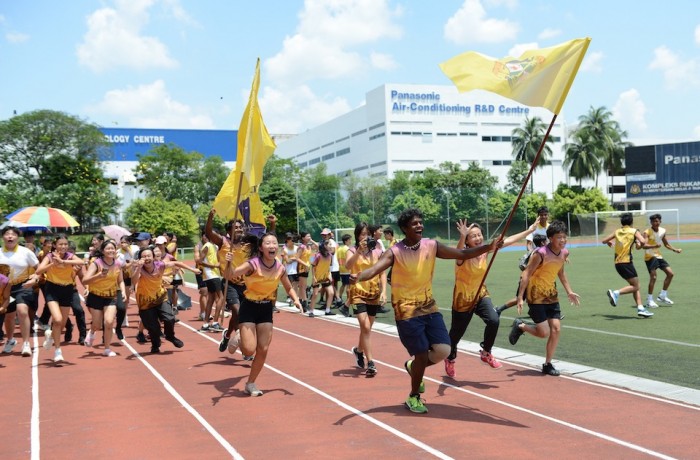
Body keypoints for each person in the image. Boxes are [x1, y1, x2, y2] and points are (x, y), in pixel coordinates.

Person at [350, 208, 500, 414]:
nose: (419, 225)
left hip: (429, 307)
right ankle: (414, 396)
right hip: (406, 311)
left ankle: (414, 367)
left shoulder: (431, 245)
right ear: (404, 228)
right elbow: (375, 269)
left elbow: (463, 253)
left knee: (443, 350)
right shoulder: (395, 251)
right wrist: (359, 276)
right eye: (414, 223)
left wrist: (487, 248)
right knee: (421, 354)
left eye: (420, 222)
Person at [445, 220, 536, 378]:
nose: (478, 238)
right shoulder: (462, 255)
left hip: (480, 294)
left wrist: (529, 231)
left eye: (479, 235)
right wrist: (462, 236)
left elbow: (508, 240)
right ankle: (450, 358)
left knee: (494, 319)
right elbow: (458, 251)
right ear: (467, 240)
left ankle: (486, 352)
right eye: (473, 236)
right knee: (455, 335)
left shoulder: (485, 251)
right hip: (463, 299)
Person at [223, 232, 302, 396]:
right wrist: (228, 263)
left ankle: (250, 383)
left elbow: (288, 287)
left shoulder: (279, 267)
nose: (272, 245)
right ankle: (239, 334)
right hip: (249, 306)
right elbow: (230, 275)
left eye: (274, 242)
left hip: (266, 308)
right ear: (260, 248)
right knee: (249, 351)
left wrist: (296, 299)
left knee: (263, 349)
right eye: (267, 243)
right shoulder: (252, 264)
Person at [509, 221, 581, 376]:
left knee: (556, 329)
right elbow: (526, 274)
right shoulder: (540, 253)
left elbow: (560, 273)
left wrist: (569, 291)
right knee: (543, 333)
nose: (562, 240)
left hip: (551, 295)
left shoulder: (564, 253)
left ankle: (547, 364)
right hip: (535, 296)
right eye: (559, 237)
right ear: (550, 238)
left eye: (564, 237)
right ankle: (521, 326)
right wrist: (520, 297)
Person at [130, 246, 199, 353]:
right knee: (153, 327)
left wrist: (192, 269)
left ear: (153, 257)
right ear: (140, 259)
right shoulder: (138, 268)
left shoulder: (160, 265)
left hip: (160, 297)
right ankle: (155, 345)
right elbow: (134, 282)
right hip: (145, 301)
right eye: (144, 256)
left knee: (169, 318)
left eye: (149, 255)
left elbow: (176, 263)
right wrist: (137, 267)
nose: (146, 258)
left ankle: (170, 336)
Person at [28, 234, 85, 363]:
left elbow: (81, 262)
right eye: (60, 244)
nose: (63, 246)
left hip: (67, 290)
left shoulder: (70, 256)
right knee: (57, 319)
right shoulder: (49, 256)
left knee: (62, 324)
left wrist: (64, 262)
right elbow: (39, 270)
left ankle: (50, 335)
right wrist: (52, 264)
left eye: (65, 244)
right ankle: (58, 351)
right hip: (52, 289)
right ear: (55, 245)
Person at [345, 223, 386, 376]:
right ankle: (371, 362)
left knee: (367, 328)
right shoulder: (352, 250)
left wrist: (384, 292)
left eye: (367, 234)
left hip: (373, 293)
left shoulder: (377, 252)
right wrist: (358, 251)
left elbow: (382, 272)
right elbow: (348, 266)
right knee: (366, 327)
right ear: (357, 236)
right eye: (362, 234)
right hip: (357, 294)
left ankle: (358, 350)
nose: (365, 237)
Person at [601, 212, 653, 318]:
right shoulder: (634, 231)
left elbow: (604, 240)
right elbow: (642, 241)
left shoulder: (617, 231)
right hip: (626, 262)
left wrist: (609, 242)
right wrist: (639, 243)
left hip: (617, 263)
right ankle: (616, 293)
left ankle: (640, 308)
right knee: (636, 286)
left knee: (634, 286)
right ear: (631, 222)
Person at [81, 239, 126, 357]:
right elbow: (85, 280)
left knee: (109, 322)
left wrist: (123, 291)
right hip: (95, 296)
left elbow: (120, 280)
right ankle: (91, 332)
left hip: (110, 296)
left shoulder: (117, 264)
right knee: (97, 324)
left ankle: (107, 348)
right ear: (102, 250)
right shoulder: (96, 263)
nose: (111, 250)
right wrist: (98, 276)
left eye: (113, 248)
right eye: (108, 248)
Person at [0, 226, 40, 357]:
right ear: (3, 237)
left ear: (18, 237)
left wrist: (35, 277)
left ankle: (26, 343)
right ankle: (10, 340)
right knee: (9, 316)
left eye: (13, 234)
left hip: (22, 286)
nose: (10, 236)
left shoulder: (26, 252)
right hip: (5, 289)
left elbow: (38, 268)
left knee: (22, 310)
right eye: (7, 234)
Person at [495, 233, 548, 316]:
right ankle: (499, 309)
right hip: (528, 279)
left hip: (530, 279)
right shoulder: (538, 253)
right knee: (523, 298)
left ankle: (499, 309)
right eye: (546, 241)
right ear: (542, 243)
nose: (547, 243)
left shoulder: (537, 251)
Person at [641, 214, 682, 308]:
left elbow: (666, 244)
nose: (655, 223)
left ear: (660, 221)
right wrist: (654, 246)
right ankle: (649, 300)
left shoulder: (663, 231)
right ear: (651, 222)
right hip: (650, 256)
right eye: (653, 221)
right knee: (654, 277)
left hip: (658, 256)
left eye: (657, 221)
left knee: (670, 274)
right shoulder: (647, 232)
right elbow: (644, 246)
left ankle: (662, 295)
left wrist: (674, 249)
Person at [308, 239, 335, 316]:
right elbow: (313, 266)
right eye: (329, 244)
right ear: (324, 246)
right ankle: (311, 311)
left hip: (325, 277)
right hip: (317, 277)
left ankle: (327, 310)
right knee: (315, 294)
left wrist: (329, 275)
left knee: (331, 293)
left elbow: (328, 267)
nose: (331, 246)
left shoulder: (330, 255)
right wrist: (313, 277)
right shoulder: (318, 255)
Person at [295, 232, 317, 313]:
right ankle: (304, 302)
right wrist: (305, 264)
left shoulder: (309, 246)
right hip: (301, 268)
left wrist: (312, 240)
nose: (309, 237)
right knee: (303, 286)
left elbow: (318, 247)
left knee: (302, 286)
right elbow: (296, 258)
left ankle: (301, 301)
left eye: (310, 236)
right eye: (308, 236)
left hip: (306, 268)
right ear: (303, 238)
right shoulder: (302, 247)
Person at [281, 234, 301, 312]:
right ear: (288, 241)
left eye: (294, 240)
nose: (293, 242)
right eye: (292, 240)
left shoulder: (296, 248)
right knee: (290, 285)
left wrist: (294, 258)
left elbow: (298, 257)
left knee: (296, 284)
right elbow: (288, 261)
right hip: (288, 270)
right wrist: (295, 258)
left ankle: (295, 298)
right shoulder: (285, 249)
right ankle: (289, 297)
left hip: (296, 269)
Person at [193, 230, 209, 321]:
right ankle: (203, 313)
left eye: (208, 236)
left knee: (211, 293)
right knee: (204, 292)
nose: (206, 238)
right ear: (202, 236)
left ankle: (205, 311)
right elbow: (197, 260)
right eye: (205, 236)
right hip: (201, 271)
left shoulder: (212, 245)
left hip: (211, 272)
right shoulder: (198, 246)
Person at [336, 234, 352, 316]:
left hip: (341, 269)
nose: (351, 241)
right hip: (347, 270)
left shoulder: (339, 249)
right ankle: (348, 302)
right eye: (349, 240)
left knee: (344, 284)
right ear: (346, 241)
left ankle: (339, 298)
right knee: (349, 286)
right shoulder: (347, 249)